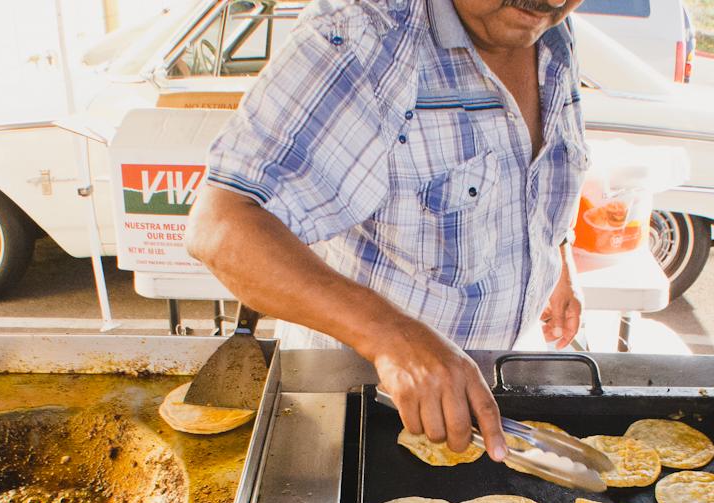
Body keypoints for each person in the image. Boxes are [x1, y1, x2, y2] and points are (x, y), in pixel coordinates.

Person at [187, 0, 589, 460]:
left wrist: (557, 261)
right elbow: (222, 224)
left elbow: (533, 178)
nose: (556, 1)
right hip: (357, 415)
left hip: (493, 401)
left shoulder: (551, 32)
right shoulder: (362, 34)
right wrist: (392, 337)